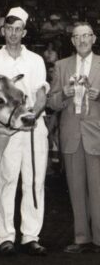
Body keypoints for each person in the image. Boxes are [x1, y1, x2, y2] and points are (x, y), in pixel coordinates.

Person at [0, 6, 49, 256]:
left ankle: (31, 235)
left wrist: (31, 117)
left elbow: (41, 95)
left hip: (33, 129)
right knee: (7, 181)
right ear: (3, 30)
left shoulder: (35, 61)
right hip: (5, 133)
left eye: (18, 29)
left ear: (24, 32)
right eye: (9, 29)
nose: (13, 34)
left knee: (34, 182)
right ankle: (5, 236)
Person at [47, 22, 100, 254]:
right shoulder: (61, 66)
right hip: (70, 135)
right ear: (72, 41)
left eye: (86, 36)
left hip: (96, 135)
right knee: (76, 189)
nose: (82, 40)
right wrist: (63, 94)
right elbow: (52, 102)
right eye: (77, 37)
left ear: (94, 39)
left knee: (98, 190)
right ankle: (82, 238)